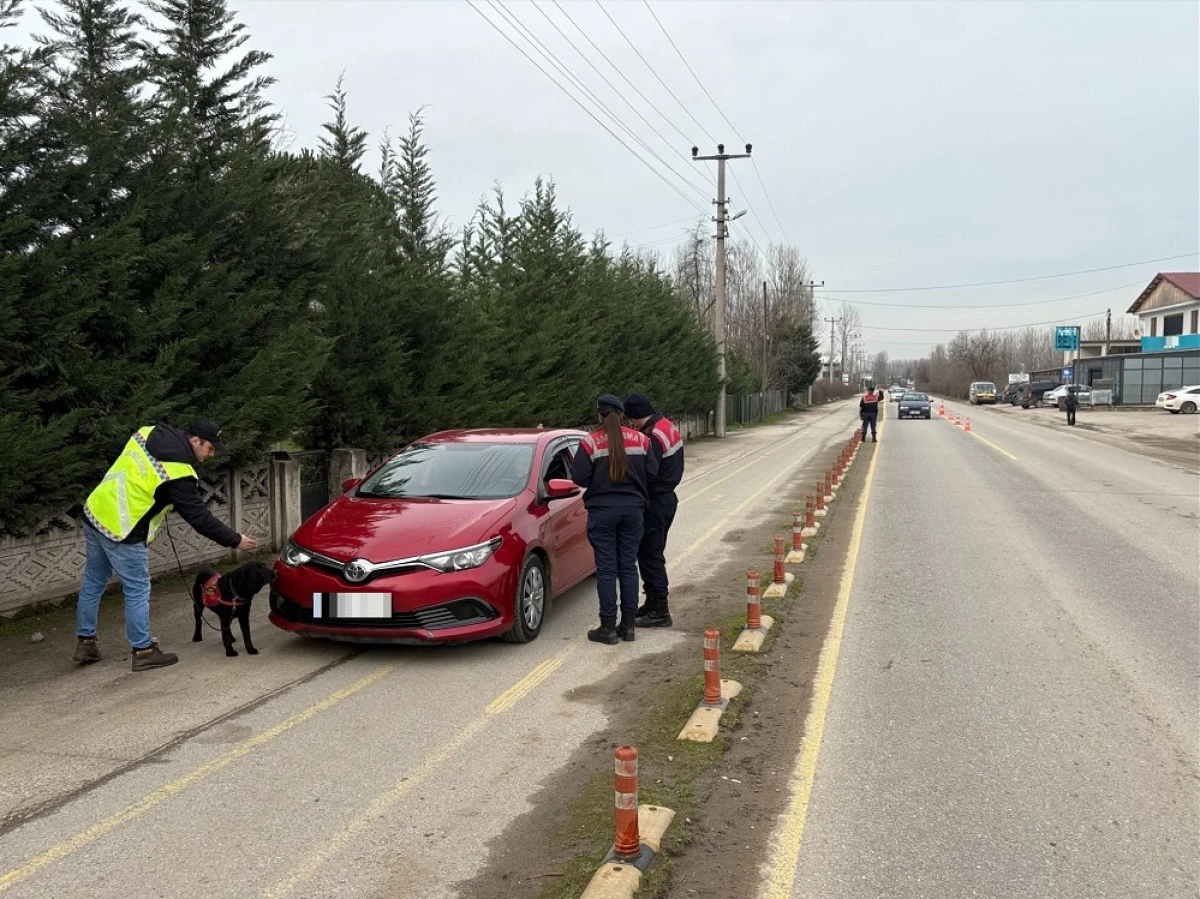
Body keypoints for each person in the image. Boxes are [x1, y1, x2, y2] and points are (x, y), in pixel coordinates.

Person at [73, 419, 259, 671]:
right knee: (137, 588)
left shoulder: (147, 433)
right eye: (209, 448)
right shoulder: (178, 473)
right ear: (195, 441)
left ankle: (86, 643)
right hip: (124, 529)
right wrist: (235, 540)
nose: (211, 454)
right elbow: (200, 518)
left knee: (94, 581)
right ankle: (143, 650)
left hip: (96, 511)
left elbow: (114, 452)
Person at [571, 395, 658, 645]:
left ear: (599, 415)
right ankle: (628, 626)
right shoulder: (642, 439)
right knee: (628, 567)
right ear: (621, 414)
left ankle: (607, 628)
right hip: (633, 512)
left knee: (607, 570)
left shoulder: (590, 442)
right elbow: (652, 472)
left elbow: (579, 477)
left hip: (602, 513)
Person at [624, 392, 683, 628]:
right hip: (666, 498)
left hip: (657, 501)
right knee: (649, 553)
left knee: (650, 555)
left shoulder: (653, 436)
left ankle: (660, 610)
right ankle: (652, 603)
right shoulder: (665, 425)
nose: (630, 425)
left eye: (631, 421)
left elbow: (649, 471)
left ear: (637, 417)